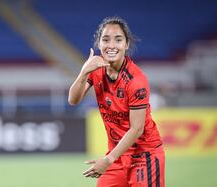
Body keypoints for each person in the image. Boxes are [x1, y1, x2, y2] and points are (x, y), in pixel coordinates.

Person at [68, 17, 165, 187]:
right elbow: (73, 100)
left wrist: (108, 160)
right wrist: (83, 72)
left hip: (144, 156)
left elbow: (137, 129)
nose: (111, 45)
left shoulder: (136, 80)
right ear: (99, 44)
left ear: (127, 44)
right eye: (106, 40)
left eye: (118, 40)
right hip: (117, 156)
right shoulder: (96, 69)